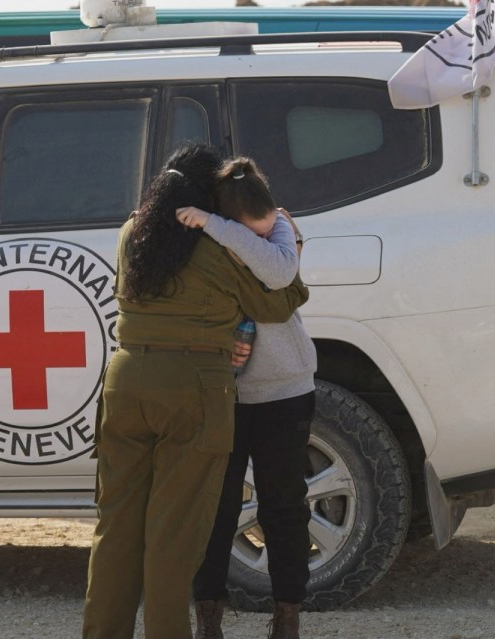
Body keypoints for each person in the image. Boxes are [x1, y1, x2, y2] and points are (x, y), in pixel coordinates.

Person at [81, 145, 310, 639]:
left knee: (115, 529)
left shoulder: (130, 232)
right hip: (193, 389)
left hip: (125, 383)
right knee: (174, 535)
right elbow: (277, 302)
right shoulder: (217, 246)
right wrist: (290, 242)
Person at [176, 157, 317, 639]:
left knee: (284, 506)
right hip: (225, 393)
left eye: (267, 223)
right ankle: (208, 620)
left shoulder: (279, 226)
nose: (266, 231)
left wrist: (218, 225)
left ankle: (287, 619)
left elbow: (278, 275)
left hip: (285, 390)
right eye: (250, 230)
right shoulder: (205, 239)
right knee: (214, 509)